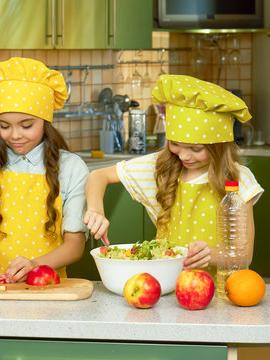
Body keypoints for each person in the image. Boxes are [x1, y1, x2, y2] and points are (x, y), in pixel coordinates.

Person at [84, 74, 263, 276]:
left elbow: (244, 256)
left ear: (219, 147)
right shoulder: (159, 167)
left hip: (220, 294)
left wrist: (212, 254)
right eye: (175, 144)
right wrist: (96, 210)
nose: (184, 155)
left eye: (195, 149)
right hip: (165, 288)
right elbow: (97, 176)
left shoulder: (240, 179)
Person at [0, 57, 89, 283]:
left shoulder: (71, 168)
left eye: (27, 126)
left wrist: (35, 265)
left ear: (45, 121)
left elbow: (75, 245)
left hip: (46, 287)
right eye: (4, 126)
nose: (15, 135)